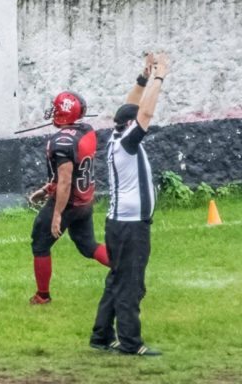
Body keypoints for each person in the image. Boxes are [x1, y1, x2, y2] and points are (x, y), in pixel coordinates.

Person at [89, 53, 168, 356]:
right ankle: (131, 343)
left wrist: (142, 78)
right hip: (131, 226)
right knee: (130, 285)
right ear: (130, 123)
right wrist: (159, 76)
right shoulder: (128, 141)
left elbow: (132, 106)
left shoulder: (117, 136)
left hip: (119, 224)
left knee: (117, 280)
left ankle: (101, 337)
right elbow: (145, 113)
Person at [29, 91, 109, 305]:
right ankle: (124, 266)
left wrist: (57, 214)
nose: (53, 112)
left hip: (68, 202)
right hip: (84, 201)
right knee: (87, 246)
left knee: (40, 244)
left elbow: (65, 180)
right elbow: (72, 173)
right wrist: (47, 189)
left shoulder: (61, 142)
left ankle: (42, 296)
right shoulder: (87, 131)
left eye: (57, 108)